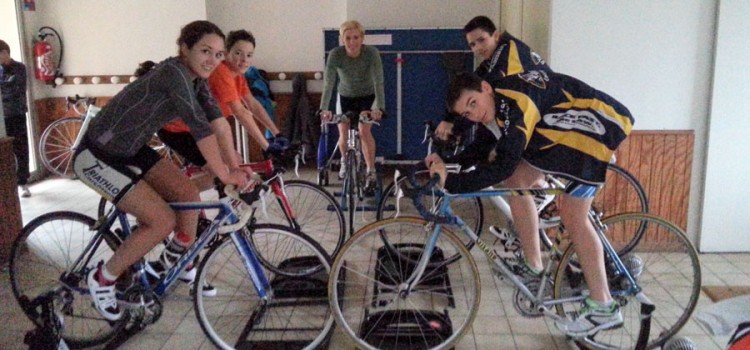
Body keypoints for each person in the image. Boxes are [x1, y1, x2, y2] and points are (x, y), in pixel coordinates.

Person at [428, 71, 633, 336]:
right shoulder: (498, 103)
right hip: (567, 132)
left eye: (472, 103)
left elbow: (502, 164)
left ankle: (604, 306)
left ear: (485, 88)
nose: (473, 114)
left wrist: (452, 184)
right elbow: (483, 146)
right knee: (517, 178)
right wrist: (448, 164)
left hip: (597, 127)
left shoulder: (517, 101)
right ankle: (534, 262)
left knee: (573, 217)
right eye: (466, 114)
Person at [72, 20, 250, 321]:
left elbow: (220, 124)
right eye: (206, 51)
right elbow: (199, 127)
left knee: (189, 196)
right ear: (184, 49)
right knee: (161, 221)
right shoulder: (173, 73)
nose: (213, 60)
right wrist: (225, 175)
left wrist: (235, 167)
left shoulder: (197, 79)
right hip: (97, 154)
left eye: (219, 54)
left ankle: (176, 261)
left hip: (130, 149)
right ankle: (103, 277)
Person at [157, 29, 287, 192]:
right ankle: (175, 197)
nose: (244, 60)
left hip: (200, 129)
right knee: (220, 171)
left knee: (237, 161)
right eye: (238, 53)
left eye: (249, 55)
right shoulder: (221, 72)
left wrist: (277, 134)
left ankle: (224, 206)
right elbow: (240, 112)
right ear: (226, 52)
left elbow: (252, 104)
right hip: (177, 130)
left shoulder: (237, 76)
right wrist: (266, 146)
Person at [435, 15, 550, 141]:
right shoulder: (498, 52)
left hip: (549, 119)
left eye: (481, 40)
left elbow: (484, 97)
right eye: (472, 44)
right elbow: (471, 81)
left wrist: (454, 127)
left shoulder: (508, 55)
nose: (478, 48)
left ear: (495, 35)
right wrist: (449, 119)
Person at [319, 20, 385, 184]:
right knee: (343, 130)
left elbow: (378, 82)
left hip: (367, 97)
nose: (352, 42)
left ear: (362, 38)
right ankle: (343, 161)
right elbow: (328, 83)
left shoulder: (371, 53)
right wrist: (323, 109)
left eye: (355, 37)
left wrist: (379, 107)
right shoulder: (336, 54)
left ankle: (370, 170)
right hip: (345, 96)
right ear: (342, 39)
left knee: (364, 131)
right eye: (347, 38)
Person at [0, 39, 31, 198]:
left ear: (5, 53)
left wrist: (3, 86)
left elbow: (15, 89)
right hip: (1, 117)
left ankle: (23, 182)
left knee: (21, 148)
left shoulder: (19, 68)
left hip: (16, 114)